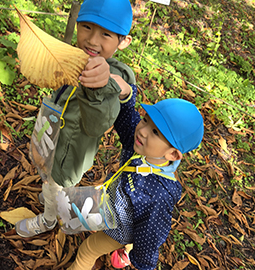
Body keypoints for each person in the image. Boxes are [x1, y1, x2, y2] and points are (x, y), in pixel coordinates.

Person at [15, 0, 136, 237]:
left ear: (123, 41)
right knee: (47, 176)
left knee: (55, 183)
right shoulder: (73, 57)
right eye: (87, 27)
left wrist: (101, 86)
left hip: (69, 152)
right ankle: (51, 196)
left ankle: (49, 219)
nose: (93, 40)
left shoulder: (116, 76)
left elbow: (97, 123)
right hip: (50, 135)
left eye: (106, 34)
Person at [67, 76, 204, 270]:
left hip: (118, 228)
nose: (143, 130)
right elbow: (127, 121)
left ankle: (127, 250)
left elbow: (150, 232)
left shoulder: (157, 193)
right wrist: (126, 94)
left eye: (156, 132)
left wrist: (143, 262)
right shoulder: (144, 147)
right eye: (146, 120)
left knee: (88, 250)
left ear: (173, 154)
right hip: (113, 205)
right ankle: (127, 249)